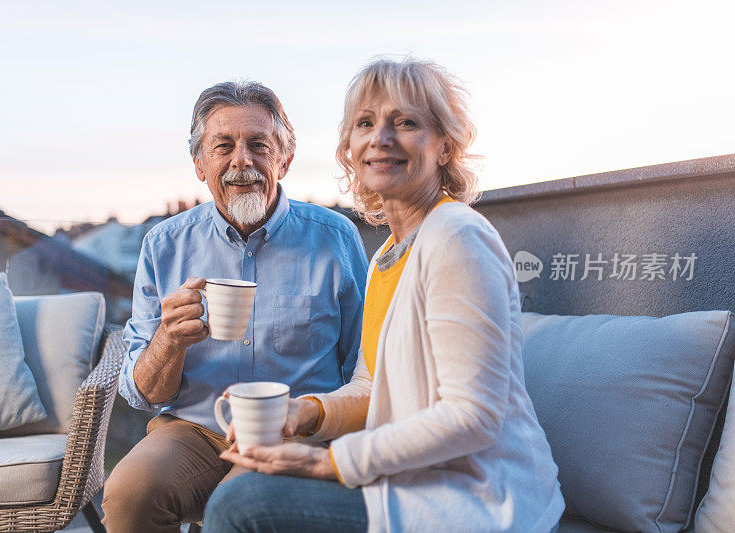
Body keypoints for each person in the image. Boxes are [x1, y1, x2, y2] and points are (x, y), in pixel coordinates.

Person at [203, 58, 565, 532]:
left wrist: (325, 463)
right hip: (411, 483)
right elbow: (373, 387)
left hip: (479, 501)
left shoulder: (456, 237)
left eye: (407, 123)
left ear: (444, 145)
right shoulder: (389, 254)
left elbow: (473, 417)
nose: (381, 138)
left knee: (240, 506)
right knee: (243, 486)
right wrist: (303, 413)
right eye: (366, 124)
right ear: (350, 148)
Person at [101, 81, 369, 533]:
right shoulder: (164, 246)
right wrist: (168, 341)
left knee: (237, 502)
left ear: (283, 160)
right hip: (195, 429)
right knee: (129, 493)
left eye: (258, 146)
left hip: (293, 429)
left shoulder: (335, 239)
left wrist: (320, 425)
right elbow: (142, 394)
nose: (241, 161)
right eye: (222, 146)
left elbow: (361, 364)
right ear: (199, 164)